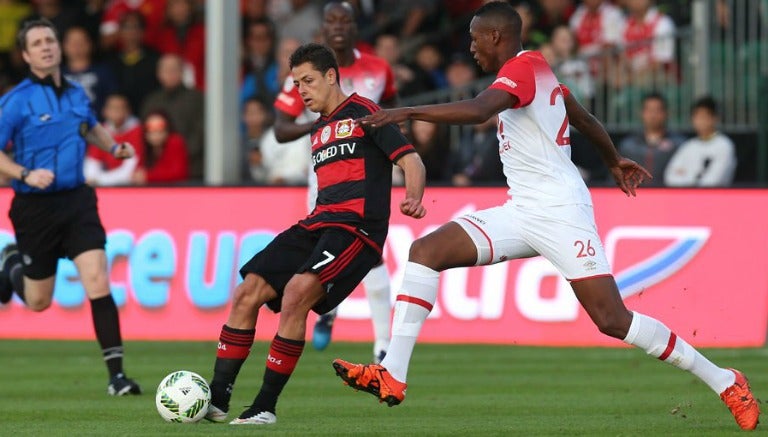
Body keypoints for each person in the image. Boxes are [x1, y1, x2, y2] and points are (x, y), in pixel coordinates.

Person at [332, 2, 759, 431]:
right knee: (426, 251)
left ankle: (726, 381)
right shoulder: (537, 71)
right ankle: (393, 374)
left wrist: (406, 112)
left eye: (476, 37)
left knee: (612, 320)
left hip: (560, 211)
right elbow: (585, 119)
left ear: (496, 36)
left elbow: (480, 110)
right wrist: (612, 160)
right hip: (522, 209)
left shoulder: (522, 69)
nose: (471, 46)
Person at [204, 43, 426, 425]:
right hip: (317, 222)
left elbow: (411, 159)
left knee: (296, 294)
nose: (301, 90)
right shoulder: (320, 128)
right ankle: (216, 399)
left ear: (330, 76)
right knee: (247, 292)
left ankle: (264, 407)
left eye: (308, 81)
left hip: (356, 228)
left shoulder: (367, 113)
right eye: (296, 83)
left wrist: (413, 196)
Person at [0, 19, 141, 396]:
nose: (46, 46)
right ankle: (11, 263)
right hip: (34, 207)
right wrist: (24, 173)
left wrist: (113, 147)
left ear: (58, 47)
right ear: (27, 55)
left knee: (97, 279)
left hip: (77, 200)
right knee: (38, 302)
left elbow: (90, 127)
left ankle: (117, 377)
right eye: (38, 43)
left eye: (50, 39)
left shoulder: (77, 93)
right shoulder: (15, 101)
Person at [273, 1, 398, 362]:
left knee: (371, 254)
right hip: (325, 175)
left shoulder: (378, 69)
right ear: (323, 28)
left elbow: (392, 109)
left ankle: (382, 345)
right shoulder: (304, 74)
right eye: (332, 20)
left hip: (370, 176)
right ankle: (327, 310)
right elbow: (280, 128)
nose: (339, 26)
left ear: (355, 27)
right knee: (324, 253)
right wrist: (319, 127)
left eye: (346, 20)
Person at [141, 54, 204, 180]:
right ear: (158, 74)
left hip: (193, 170)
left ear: (182, 72)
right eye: (165, 70)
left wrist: (180, 156)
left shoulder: (197, 99)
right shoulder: (151, 101)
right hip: (156, 170)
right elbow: (144, 135)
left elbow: (200, 132)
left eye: (174, 70)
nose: (169, 74)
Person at [664, 96, 737, 187]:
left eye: (704, 117)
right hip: (685, 199)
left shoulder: (724, 145)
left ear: (715, 118)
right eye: (697, 117)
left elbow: (713, 181)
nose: (700, 121)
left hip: (716, 199)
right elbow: (670, 177)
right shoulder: (688, 146)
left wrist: (686, 175)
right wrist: (695, 180)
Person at [618, 92, 684, 186]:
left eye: (657, 110)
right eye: (649, 110)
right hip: (634, 196)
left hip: (668, 195)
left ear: (666, 113)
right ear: (641, 113)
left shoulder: (679, 145)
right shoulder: (628, 146)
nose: (653, 115)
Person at [84, 93, 143, 186]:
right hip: (107, 184)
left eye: (120, 108)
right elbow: (91, 164)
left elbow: (129, 172)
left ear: (128, 111)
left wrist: (99, 180)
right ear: (104, 111)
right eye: (112, 108)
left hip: (132, 187)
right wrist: (94, 178)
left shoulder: (137, 130)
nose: (116, 111)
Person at [132, 110, 189, 185]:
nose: (156, 134)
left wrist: (148, 176)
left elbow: (179, 173)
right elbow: (138, 171)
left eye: (160, 128)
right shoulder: (144, 145)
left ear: (167, 129)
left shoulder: (175, 142)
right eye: (151, 129)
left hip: (175, 191)